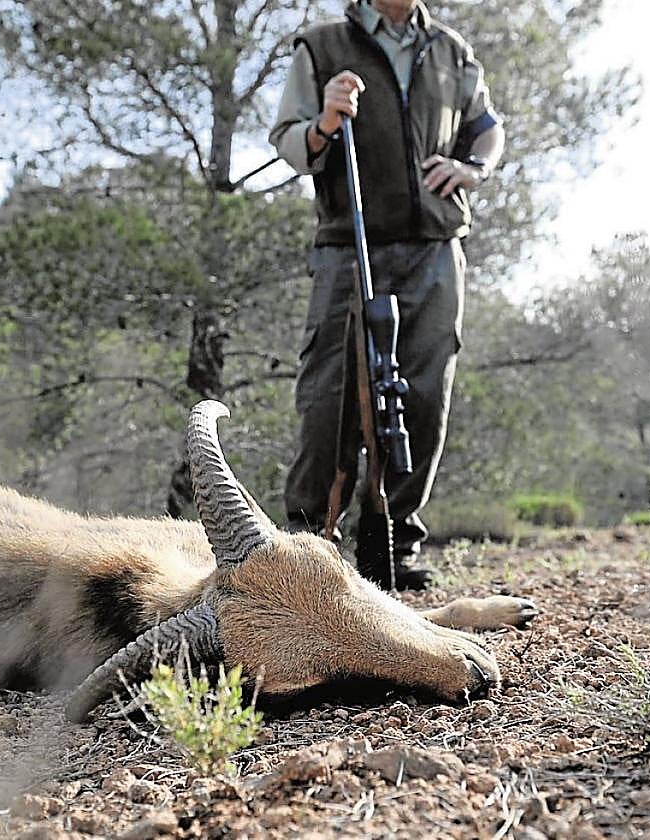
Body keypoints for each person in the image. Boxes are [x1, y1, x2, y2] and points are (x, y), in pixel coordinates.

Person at [269, 0, 504, 590]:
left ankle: (391, 545)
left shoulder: (450, 49)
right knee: (332, 396)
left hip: (435, 244)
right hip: (348, 246)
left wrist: (473, 168)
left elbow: (486, 127)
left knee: (425, 394)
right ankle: (307, 547)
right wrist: (325, 121)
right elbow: (290, 143)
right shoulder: (321, 46)